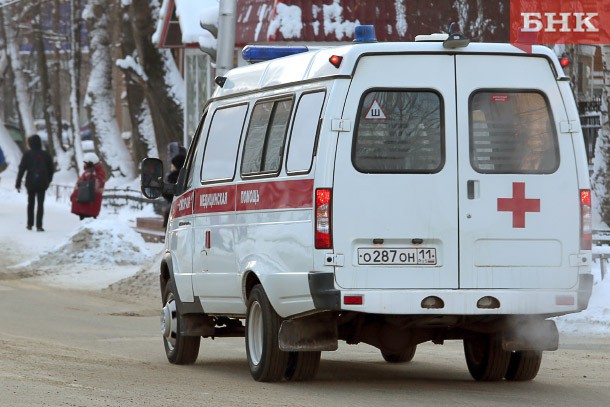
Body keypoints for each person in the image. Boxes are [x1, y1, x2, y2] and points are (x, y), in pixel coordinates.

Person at [15, 135, 55, 231]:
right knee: (40, 204)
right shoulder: (46, 154)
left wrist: (18, 183)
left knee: (30, 203)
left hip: (30, 182)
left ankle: (29, 224)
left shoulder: (27, 154)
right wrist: (48, 180)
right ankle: (39, 225)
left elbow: (22, 169)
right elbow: (51, 169)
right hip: (42, 182)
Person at [70, 152, 106, 220]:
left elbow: (82, 187)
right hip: (88, 205)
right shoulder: (95, 172)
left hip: (88, 205)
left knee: (87, 224)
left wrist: (73, 197)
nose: (84, 164)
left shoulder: (91, 173)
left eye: (85, 162)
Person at [162, 153, 186, 228]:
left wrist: (162, 189)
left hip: (175, 214)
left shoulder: (174, 177)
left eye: (173, 164)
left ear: (177, 165)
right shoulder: (186, 176)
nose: (171, 166)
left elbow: (169, 194)